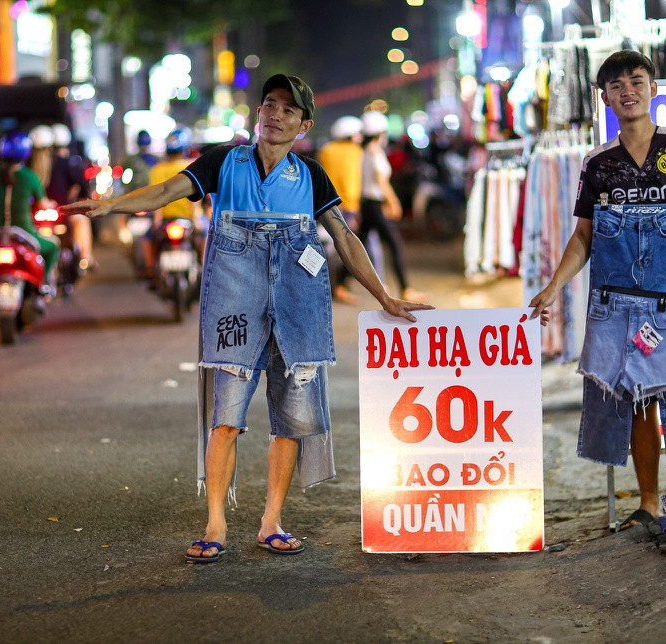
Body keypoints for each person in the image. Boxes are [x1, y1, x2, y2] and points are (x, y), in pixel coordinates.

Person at [62, 73, 433, 563]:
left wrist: (384, 296)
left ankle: (271, 521)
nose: (275, 114)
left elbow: (344, 237)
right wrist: (111, 205)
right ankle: (215, 524)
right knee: (226, 418)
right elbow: (166, 192)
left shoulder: (311, 176)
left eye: (288, 109)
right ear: (258, 113)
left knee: (291, 421)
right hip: (235, 302)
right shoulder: (224, 162)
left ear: (304, 125)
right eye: (269, 104)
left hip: (297, 302)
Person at [528, 50, 666, 530]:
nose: (628, 91)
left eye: (637, 81)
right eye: (617, 85)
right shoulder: (598, 163)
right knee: (638, 400)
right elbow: (584, 236)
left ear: (653, 89)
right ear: (604, 98)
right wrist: (554, 285)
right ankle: (648, 503)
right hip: (621, 298)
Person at [0, 132, 59, 287]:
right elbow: (44, 205)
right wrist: (54, 205)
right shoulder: (30, 177)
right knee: (54, 245)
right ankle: (44, 284)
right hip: (25, 234)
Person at [357, 111, 426, 302]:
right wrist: (393, 202)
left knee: (357, 246)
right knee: (394, 244)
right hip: (375, 204)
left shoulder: (365, 151)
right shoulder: (374, 152)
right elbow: (381, 180)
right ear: (379, 133)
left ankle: (339, 283)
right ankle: (405, 289)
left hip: (368, 204)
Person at [317, 115, 364, 304]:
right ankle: (339, 287)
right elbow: (350, 182)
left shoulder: (326, 150)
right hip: (346, 205)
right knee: (346, 249)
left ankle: (331, 285)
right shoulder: (354, 152)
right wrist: (353, 209)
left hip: (325, 203)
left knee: (328, 247)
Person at [143, 128, 202, 278]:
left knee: (148, 238)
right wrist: (196, 219)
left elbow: (156, 197)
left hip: (165, 220)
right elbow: (196, 196)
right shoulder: (192, 165)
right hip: (188, 218)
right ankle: (205, 266)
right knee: (206, 234)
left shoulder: (157, 170)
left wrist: (157, 220)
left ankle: (150, 269)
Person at [46, 123, 96, 270]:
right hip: (62, 209)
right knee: (81, 220)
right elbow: (80, 183)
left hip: (42, 210)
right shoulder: (68, 162)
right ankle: (86, 258)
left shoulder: (34, 164)